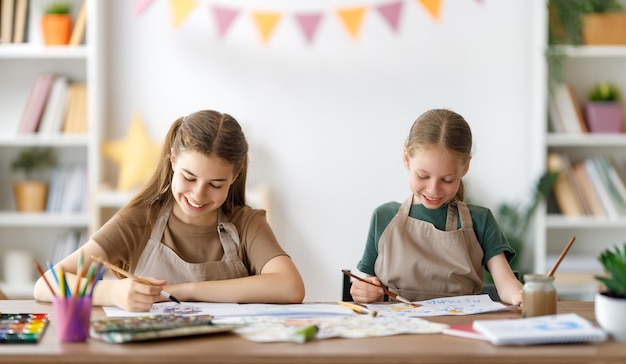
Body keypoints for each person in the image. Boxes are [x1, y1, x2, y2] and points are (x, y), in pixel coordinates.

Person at [34, 110, 305, 311]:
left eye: (215, 184)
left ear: (234, 177)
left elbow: (290, 286)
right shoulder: (140, 220)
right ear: (173, 160)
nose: (198, 194)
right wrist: (113, 292)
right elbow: (46, 284)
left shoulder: (246, 223)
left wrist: (185, 291)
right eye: (189, 177)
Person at [351, 108, 523, 305]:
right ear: (407, 159)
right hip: (397, 330)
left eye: (447, 180)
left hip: (459, 329)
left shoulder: (480, 221)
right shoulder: (384, 217)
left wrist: (519, 296)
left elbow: (506, 283)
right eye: (422, 176)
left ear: (465, 168)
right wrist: (363, 290)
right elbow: (366, 283)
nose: (433, 190)